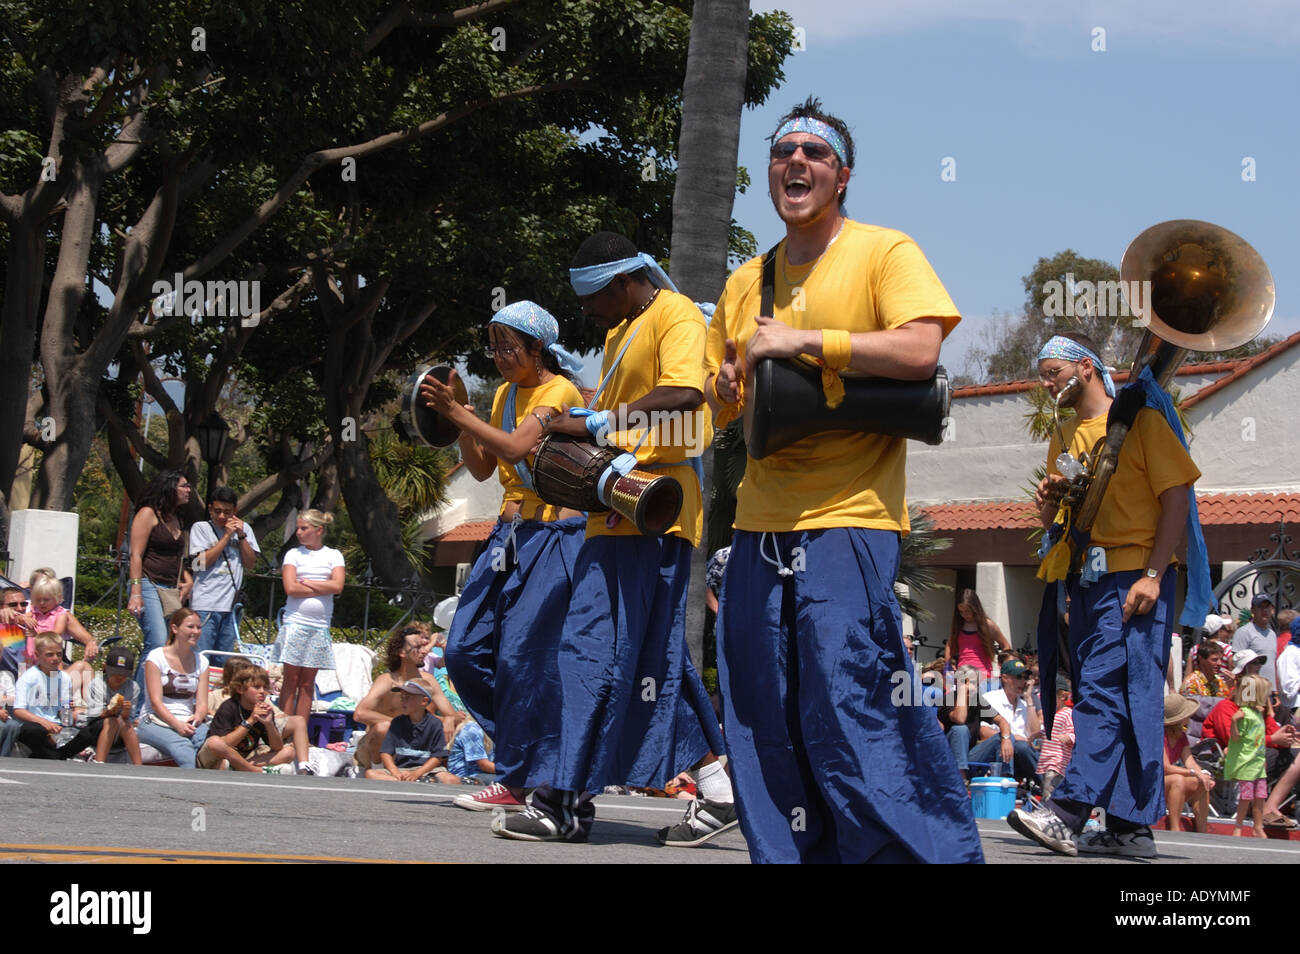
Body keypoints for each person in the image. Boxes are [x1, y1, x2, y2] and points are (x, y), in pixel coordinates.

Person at [703, 98, 981, 863]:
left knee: (849, 693)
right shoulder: (745, 281)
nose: (796, 162)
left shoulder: (883, 251)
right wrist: (728, 384)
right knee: (761, 707)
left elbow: (920, 349)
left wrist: (806, 340)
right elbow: (723, 395)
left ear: (842, 176)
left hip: (849, 517)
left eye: (814, 154)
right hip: (760, 522)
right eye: (783, 151)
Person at [493, 231, 736, 846]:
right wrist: (572, 424)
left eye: (591, 299)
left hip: (652, 510)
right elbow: (621, 411)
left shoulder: (673, 315)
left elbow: (683, 392)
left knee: (588, 652)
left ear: (624, 281)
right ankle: (718, 787)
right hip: (614, 508)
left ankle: (563, 801)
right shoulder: (617, 331)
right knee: (649, 657)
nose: (585, 313)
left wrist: (599, 420)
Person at [1009, 329, 1208, 860]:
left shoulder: (1141, 419)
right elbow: (1055, 519)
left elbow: (1175, 499)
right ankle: (1129, 828)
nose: (1047, 383)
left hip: (1134, 578)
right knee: (1121, 698)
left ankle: (1068, 812)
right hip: (1090, 581)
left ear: (1087, 369)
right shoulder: (1067, 433)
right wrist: (1049, 501)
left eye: (1053, 373)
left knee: (1106, 694)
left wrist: (1152, 573)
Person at [419, 300, 587, 813]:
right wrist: (460, 424)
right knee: (464, 650)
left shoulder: (560, 392)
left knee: (520, 660)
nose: (498, 356)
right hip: (506, 538)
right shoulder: (504, 395)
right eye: (492, 347)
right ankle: (526, 754)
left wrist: (458, 412)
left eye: (508, 346)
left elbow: (516, 449)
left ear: (539, 348)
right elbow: (484, 468)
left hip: (554, 538)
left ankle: (520, 776)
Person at [353, 624, 460, 772]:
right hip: (381, 747)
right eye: (418, 648)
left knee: (453, 727)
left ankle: (446, 770)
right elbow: (360, 713)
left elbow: (452, 714)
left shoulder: (428, 681)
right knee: (383, 728)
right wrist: (401, 725)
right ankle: (377, 769)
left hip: (414, 745)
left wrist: (449, 719)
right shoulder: (388, 680)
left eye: (424, 646)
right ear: (402, 652)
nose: (424, 651)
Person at [274, 510, 345, 721]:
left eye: (304, 528)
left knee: (307, 682)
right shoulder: (294, 555)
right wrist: (324, 587)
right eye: (298, 528)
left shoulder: (333, 555)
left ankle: (301, 730)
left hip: (319, 626)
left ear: (318, 529)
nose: (299, 532)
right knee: (290, 679)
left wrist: (307, 582)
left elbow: (338, 585)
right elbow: (290, 587)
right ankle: (284, 728)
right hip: (296, 622)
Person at [127, 470, 195, 683]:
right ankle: (136, 706)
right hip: (148, 583)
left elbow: (177, 555)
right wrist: (136, 592)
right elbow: (136, 554)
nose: (188, 490)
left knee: (169, 646)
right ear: (169, 488)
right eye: (183, 486)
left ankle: (154, 700)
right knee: (156, 642)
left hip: (169, 588)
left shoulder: (178, 518)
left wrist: (187, 578)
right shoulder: (148, 514)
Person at [198, 665, 312, 773]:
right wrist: (251, 720)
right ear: (240, 689)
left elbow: (277, 747)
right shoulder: (229, 707)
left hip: (241, 758)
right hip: (215, 757)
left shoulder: (264, 710)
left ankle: (239, 767)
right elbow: (226, 744)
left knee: (289, 752)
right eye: (257, 687)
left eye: (265, 687)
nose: (262, 691)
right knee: (215, 742)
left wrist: (269, 724)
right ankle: (257, 771)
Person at [189, 486, 260, 656]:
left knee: (223, 660)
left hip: (231, 606)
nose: (221, 516)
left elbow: (250, 563)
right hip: (206, 604)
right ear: (210, 509)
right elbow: (200, 563)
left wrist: (241, 535)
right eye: (217, 511)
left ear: (235, 511)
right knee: (202, 656)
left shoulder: (245, 529)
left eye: (227, 512)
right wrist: (227, 536)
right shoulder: (200, 528)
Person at [136, 608, 210, 767]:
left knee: (210, 743)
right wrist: (178, 725)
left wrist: (196, 719)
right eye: (190, 627)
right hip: (154, 721)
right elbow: (156, 703)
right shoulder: (156, 657)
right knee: (182, 746)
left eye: (198, 627)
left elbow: (203, 703)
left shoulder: (202, 661)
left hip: (189, 721)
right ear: (175, 628)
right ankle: (199, 786)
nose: (196, 631)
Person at [364, 679, 460, 784]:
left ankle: (412, 781)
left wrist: (417, 773)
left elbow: (438, 756)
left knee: (452, 780)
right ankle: (411, 782)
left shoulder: (435, 724)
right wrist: (394, 771)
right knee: (370, 774)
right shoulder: (397, 722)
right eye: (402, 698)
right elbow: (386, 752)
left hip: (428, 770)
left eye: (408, 698)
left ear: (424, 701)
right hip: (402, 769)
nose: (403, 702)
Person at [10, 635, 82, 759]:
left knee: (85, 734)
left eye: (59, 654)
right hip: (35, 723)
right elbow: (19, 710)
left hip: (55, 724)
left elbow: (63, 710)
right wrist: (44, 723)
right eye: (50, 655)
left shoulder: (64, 678)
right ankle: (56, 756)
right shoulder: (29, 677)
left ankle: (49, 754)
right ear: (37, 655)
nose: (55, 658)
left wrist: (68, 714)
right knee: (34, 731)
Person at [969, 659, 1041, 782]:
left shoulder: (1025, 704)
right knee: (1012, 740)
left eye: (1025, 677)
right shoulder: (990, 698)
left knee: (1022, 747)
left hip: (1020, 755)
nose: (1023, 681)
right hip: (993, 754)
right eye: (1018, 677)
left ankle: (1045, 786)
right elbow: (984, 732)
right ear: (1005, 678)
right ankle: (1006, 780)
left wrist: (1029, 699)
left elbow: (1035, 735)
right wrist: (1013, 737)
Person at [1226, 675, 1272, 837]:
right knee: (1246, 796)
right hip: (1246, 761)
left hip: (1257, 761)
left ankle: (1258, 826)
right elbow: (1235, 738)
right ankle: (1238, 826)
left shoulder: (1258, 713)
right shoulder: (1244, 714)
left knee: (1260, 795)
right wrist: (1233, 721)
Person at [1163, 693, 1212, 833]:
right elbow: (1165, 767)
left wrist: (1202, 774)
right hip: (1151, 781)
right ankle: (1175, 828)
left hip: (1166, 779)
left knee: (1203, 781)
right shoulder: (1160, 735)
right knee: (1178, 780)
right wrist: (1193, 772)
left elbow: (1190, 761)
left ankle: (1202, 830)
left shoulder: (1181, 735)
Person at [943, 589, 1012, 682]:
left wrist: (1004, 667)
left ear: (975, 608)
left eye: (967, 611)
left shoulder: (987, 625)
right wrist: (948, 665)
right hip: (962, 675)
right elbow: (949, 645)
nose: (964, 615)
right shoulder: (958, 625)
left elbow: (1005, 645)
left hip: (983, 675)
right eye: (961, 611)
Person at [1038, 677, 1075, 801]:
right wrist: (1037, 735)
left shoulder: (1067, 714)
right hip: (1046, 759)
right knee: (1046, 786)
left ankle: (1049, 809)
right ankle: (1048, 807)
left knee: (1050, 786)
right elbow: (1048, 732)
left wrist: (1068, 737)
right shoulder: (1051, 715)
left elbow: (1074, 733)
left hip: (1058, 761)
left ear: (1062, 697)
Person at [1233, 595, 1278, 689]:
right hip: (1251, 689)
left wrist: (1275, 690)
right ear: (1253, 610)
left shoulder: (1272, 634)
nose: (1265, 611)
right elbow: (1235, 661)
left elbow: (1271, 664)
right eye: (1260, 607)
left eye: (1267, 607)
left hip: (1268, 690)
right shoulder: (1244, 632)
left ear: (1272, 610)